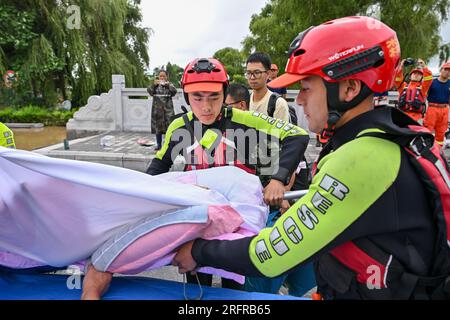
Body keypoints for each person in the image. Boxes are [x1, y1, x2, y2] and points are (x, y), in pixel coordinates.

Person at [173, 16, 448, 300]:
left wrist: (197, 251)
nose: (299, 100)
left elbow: (271, 255)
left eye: (306, 87)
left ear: (350, 88)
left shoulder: (363, 158)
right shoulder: (386, 136)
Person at [81, 57, 310, 299]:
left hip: (235, 224)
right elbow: (158, 167)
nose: (206, 107)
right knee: (196, 287)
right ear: (186, 97)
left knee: (233, 287)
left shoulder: (246, 119)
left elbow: (297, 136)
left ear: (224, 92)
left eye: (214, 97)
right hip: (196, 224)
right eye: (197, 98)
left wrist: (277, 180)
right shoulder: (178, 126)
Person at [246, 52, 290, 122]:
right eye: (248, 73)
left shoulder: (278, 104)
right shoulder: (246, 101)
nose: (252, 77)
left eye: (257, 72)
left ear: (268, 74)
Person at [147, 70, 178, 150]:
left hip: (168, 111)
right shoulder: (155, 85)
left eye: (164, 76)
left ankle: (168, 145)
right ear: (158, 76)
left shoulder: (169, 85)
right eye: (160, 76)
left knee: (169, 128)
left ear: (166, 77)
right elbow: (150, 91)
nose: (162, 78)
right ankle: (159, 145)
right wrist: (154, 85)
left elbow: (174, 92)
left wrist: (168, 86)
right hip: (157, 110)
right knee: (158, 129)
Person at [394, 59, 432, 123]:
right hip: (402, 115)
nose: (416, 75)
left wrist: (424, 67)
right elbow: (397, 79)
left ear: (422, 78)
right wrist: (401, 67)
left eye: (419, 74)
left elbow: (428, 79)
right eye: (414, 73)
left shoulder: (423, 88)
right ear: (410, 76)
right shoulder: (403, 86)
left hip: (417, 117)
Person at [423, 62, 450, 146]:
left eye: (449, 71)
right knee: (427, 131)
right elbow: (423, 93)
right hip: (432, 109)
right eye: (446, 69)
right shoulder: (431, 82)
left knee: (441, 133)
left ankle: (438, 152)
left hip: (445, 110)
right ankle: (426, 151)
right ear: (441, 70)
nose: (447, 72)